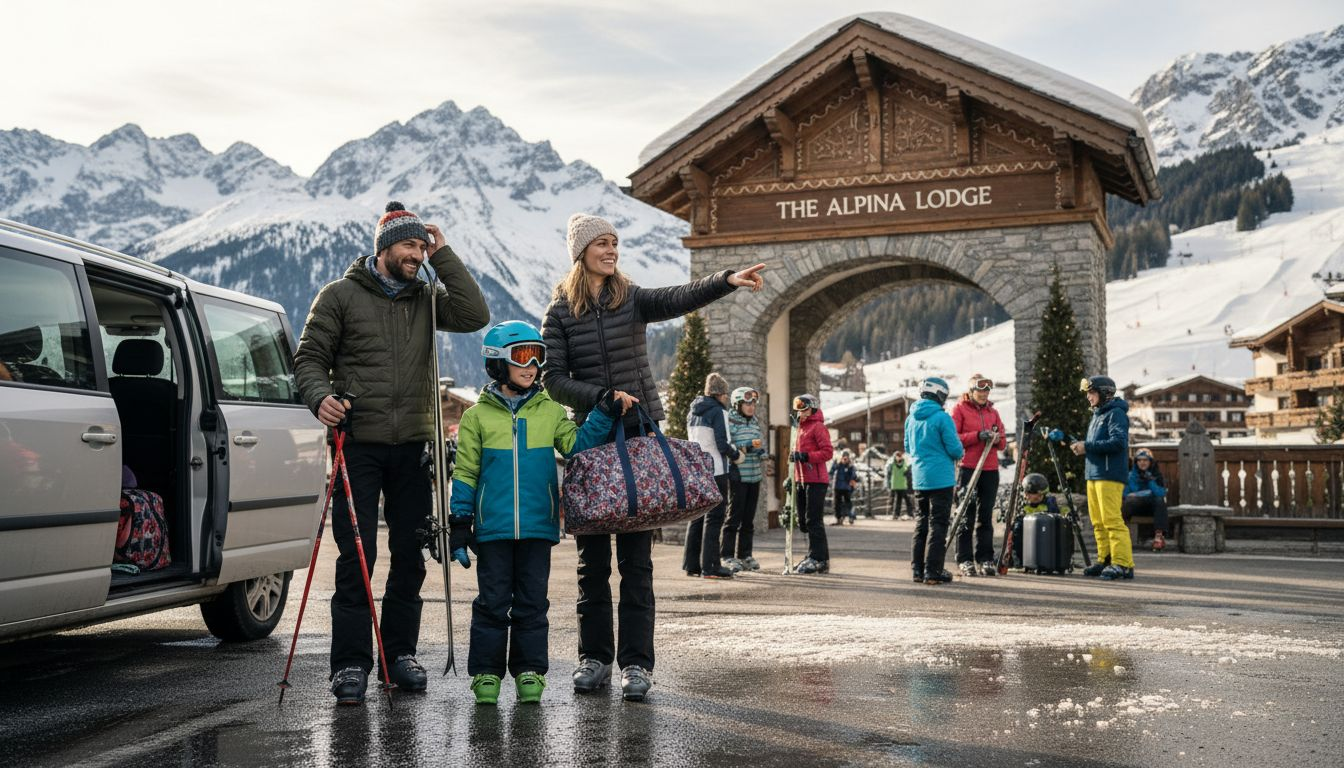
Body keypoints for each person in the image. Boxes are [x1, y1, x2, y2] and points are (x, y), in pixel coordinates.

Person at [541, 212, 765, 702]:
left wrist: (726, 280)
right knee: (592, 562)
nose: (611, 249)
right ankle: (595, 658)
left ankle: (637, 665)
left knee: (637, 563)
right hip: (594, 439)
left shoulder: (632, 298)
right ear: (581, 251)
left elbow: (679, 296)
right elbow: (552, 378)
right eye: (601, 242)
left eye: (614, 241)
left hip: (641, 437)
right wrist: (602, 397)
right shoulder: (559, 312)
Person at [294, 201, 490, 705]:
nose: (416, 254)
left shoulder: (427, 297)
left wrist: (444, 256)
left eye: (422, 247)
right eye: (409, 245)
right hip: (357, 442)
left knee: (410, 554)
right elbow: (309, 358)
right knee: (357, 555)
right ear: (384, 249)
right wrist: (321, 398)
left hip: (414, 447)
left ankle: (398, 655)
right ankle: (351, 665)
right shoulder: (338, 296)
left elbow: (475, 314)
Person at [448, 321, 616, 705]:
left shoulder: (549, 411)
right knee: (491, 603)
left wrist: (602, 414)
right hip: (492, 529)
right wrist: (460, 523)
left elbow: (576, 445)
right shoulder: (477, 418)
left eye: (538, 356)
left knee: (532, 603)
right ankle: (487, 674)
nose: (532, 365)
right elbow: (466, 473)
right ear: (497, 362)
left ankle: (529, 671)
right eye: (523, 356)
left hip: (539, 527)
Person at [1071, 375, 1134, 581]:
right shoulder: (1098, 415)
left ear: (1104, 393)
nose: (1088, 397)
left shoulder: (1116, 414)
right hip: (1094, 474)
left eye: (1092, 392)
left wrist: (1086, 446)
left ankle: (1122, 564)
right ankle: (1105, 559)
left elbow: (1118, 443)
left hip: (1110, 475)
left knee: (1112, 520)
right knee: (1098, 521)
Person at [905, 377, 964, 585]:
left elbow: (907, 448)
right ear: (939, 395)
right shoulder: (942, 418)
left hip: (919, 478)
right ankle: (933, 571)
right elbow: (955, 449)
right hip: (941, 478)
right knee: (938, 524)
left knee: (921, 523)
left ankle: (917, 571)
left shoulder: (910, 418)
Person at [684, 372, 740, 579]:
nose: (727, 398)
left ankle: (692, 565)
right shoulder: (718, 412)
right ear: (719, 394)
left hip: (697, 469)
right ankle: (711, 566)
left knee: (697, 515)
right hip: (716, 469)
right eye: (725, 394)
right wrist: (736, 455)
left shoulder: (693, 411)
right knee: (715, 517)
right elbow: (722, 443)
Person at [951, 374, 1008, 577]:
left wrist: (996, 439)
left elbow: (1003, 442)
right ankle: (964, 559)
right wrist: (977, 436)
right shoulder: (959, 409)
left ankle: (985, 557)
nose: (984, 394)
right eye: (980, 391)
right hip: (969, 467)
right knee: (966, 514)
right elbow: (954, 437)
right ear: (971, 391)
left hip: (990, 469)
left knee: (985, 516)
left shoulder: (993, 412)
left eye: (987, 391)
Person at [722, 386, 766, 572]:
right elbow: (728, 446)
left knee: (749, 519)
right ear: (737, 404)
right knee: (734, 517)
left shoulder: (755, 422)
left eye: (753, 403)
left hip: (754, 475)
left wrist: (761, 451)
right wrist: (746, 445)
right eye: (747, 403)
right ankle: (727, 556)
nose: (751, 407)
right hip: (738, 475)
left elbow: (758, 442)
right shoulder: (730, 421)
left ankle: (745, 555)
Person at [789, 394, 834, 573]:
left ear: (813, 408)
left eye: (805, 409)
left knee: (813, 520)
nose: (802, 413)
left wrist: (806, 456)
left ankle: (819, 558)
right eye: (799, 409)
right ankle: (812, 554)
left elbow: (827, 452)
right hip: (801, 479)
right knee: (803, 521)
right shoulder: (799, 428)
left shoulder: (818, 427)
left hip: (816, 480)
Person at [1123, 448, 1169, 552]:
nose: (1142, 463)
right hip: (1136, 505)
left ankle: (1159, 537)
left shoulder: (1156, 475)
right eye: (1139, 460)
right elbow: (1126, 494)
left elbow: (1161, 493)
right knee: (1127, 503)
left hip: (1153, 508)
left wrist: (1150, 481)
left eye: (1145, 460)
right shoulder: (1131, 476)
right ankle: (1120, 536)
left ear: (1150, 462)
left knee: (1159, 500)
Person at [1011, 472, 1059, 568]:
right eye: (1025, 492)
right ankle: (1019, 560)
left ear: (1040, 493)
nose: (1026, 495)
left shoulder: (1050, 503)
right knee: (1017, 528)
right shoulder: (1022, 505)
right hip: (1027, 539)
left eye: (1029, 493)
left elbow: (1056, 520)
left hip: (1045, 539)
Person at [829, 451, 858, 525]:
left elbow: (854, 476)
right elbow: (831, 472)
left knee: (848, 503)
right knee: (837, 503)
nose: (845, 459)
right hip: (837, 486)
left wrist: (850, 467)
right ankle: (839, 518)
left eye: (846, 458)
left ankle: (850, 517)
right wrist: (838, 463)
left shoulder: (850, 465)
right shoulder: (838, 463)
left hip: (846, 487)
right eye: (844, 457)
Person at [885, 450, 915, 520]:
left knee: (904, 500)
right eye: (897, 456)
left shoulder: (903, 463)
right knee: (900, 500)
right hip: (896, 485)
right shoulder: (892, 464)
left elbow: (907, 472)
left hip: (901, 485)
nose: (898, 457)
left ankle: (899, 514)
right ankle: (899, 514)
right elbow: (889, 473)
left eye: (899, 456)